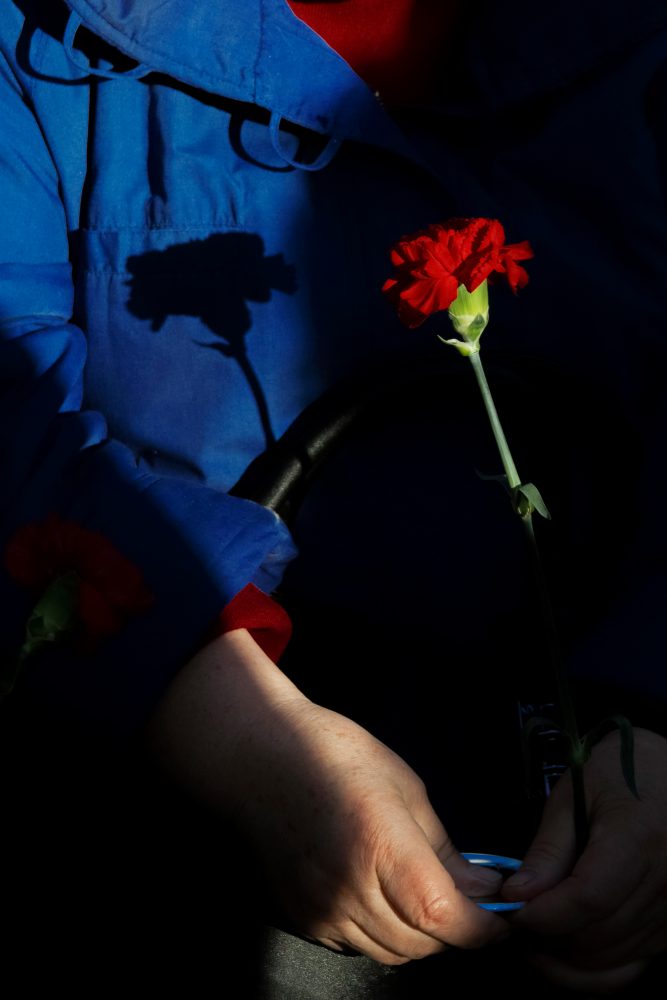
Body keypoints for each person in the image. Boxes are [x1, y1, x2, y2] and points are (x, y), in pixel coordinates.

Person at [1, 0, 666, 994]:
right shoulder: (36, 38)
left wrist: (651, 725)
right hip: (180, 844)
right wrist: (239, 739)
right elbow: (13, 434)